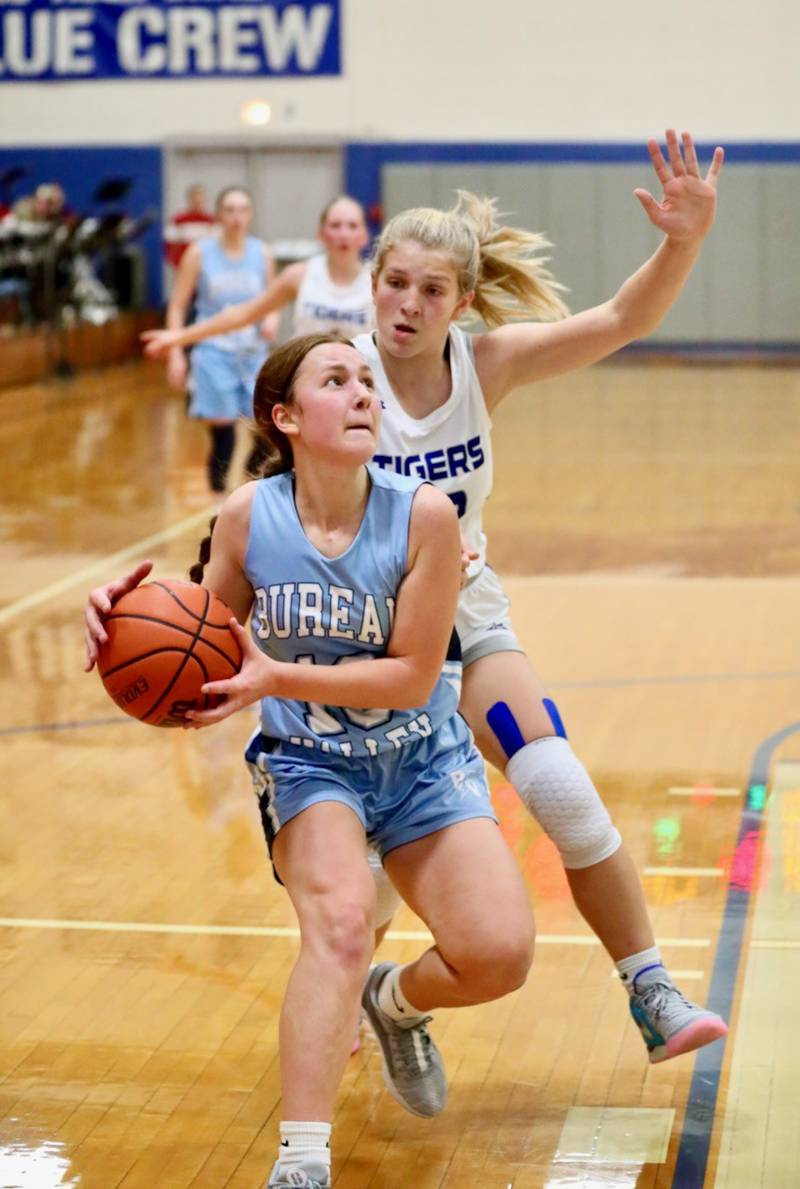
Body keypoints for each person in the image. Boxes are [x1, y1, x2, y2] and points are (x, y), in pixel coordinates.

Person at [84, 333, 535, 1189]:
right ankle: (302, 1162)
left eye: (368, 381)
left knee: (500, 953)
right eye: (339, 380)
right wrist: (118, 618)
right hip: (309, 762)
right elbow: (202, 643)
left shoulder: (426, 517)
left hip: (422, 758)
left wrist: (277, 672)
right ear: (286, 416)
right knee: (336, 922)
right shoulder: (251, 515)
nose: (365, 392)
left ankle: (393, 1002)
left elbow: (410, 676)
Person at [342, 129, 730, 1066]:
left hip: (468, 622)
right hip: (360, 640)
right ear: (374, 279)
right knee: (368, 877)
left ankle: (651, 987)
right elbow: (271, 517)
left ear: (461, 303)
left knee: (556, 781)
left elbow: (618, 321)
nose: (408, 303)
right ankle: (370, 993)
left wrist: (682, 240)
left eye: (433, 290)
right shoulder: (334, 372)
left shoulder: (488, 364)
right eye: (396, 281)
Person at [142, 195, 373, 354]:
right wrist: (179, 337)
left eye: (352, 226)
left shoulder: (377, 280)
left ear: (364, 235)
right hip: (311, 387)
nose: (343, 234)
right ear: (321, 234)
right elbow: (243, 314)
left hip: (360, 389)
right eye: (335, 225)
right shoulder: (300, 275)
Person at [162, 185, 278, 493]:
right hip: (213, 351)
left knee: (267, 430)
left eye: (242, 210)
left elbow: (273, 301)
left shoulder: (261, 252)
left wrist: (270, 320)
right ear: (218, 215)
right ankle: (218, 503)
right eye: (229, 210)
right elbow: (177, 305)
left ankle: (252, 489)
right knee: (223, 432)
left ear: (250, 215)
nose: (236, 217)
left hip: (253, 352)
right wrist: (175, 353)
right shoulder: (200, 253)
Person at [163, 183, 215, 270]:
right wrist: (176, 262)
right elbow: (169, 244)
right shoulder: (178, 220)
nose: (198, 202)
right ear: (189, 199)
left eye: (200, 199)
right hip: (183, 266)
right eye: (195, 199)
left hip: (206, 267)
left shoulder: (212, 220)